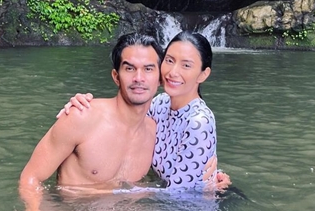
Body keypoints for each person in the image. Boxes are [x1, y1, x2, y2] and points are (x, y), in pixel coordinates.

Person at [18, 32, 163, 211]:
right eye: (129, 68)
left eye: (148, 69)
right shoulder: (82, 116)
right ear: (116, 76)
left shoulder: (156, 132)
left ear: (160, 78)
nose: (139, 78)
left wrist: (215, 180)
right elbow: (31, 176)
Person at [59, 31, 227, 190]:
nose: (173, 72)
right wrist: (83, 105)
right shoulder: (159, 104)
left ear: (203, 75)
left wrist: (115, 190)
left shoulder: (199, 122)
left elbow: (180, 196)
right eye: (169, 60)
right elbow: (126, 123)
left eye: (186, 65)